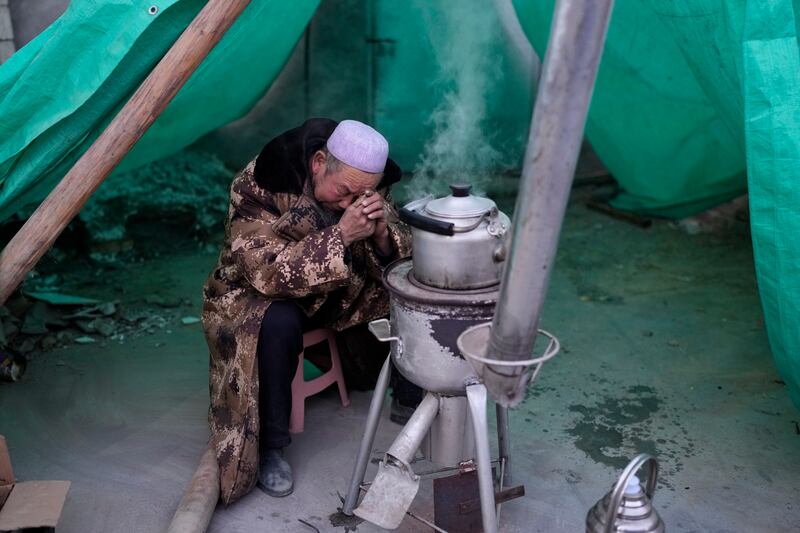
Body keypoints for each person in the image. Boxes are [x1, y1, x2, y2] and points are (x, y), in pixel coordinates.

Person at [202, 118, 420, 505]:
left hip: (333, 291)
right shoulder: (260, 184)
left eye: (363, 195)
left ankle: (408, 391)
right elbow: (266, 274)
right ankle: (272, 445)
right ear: (320, 162)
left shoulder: (362, 178)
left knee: (409, 289)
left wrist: (384, 235)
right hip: (258, 293)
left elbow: (397, 246)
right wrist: (342, 235)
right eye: (345, 192)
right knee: (276, 321)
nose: (349, 203)